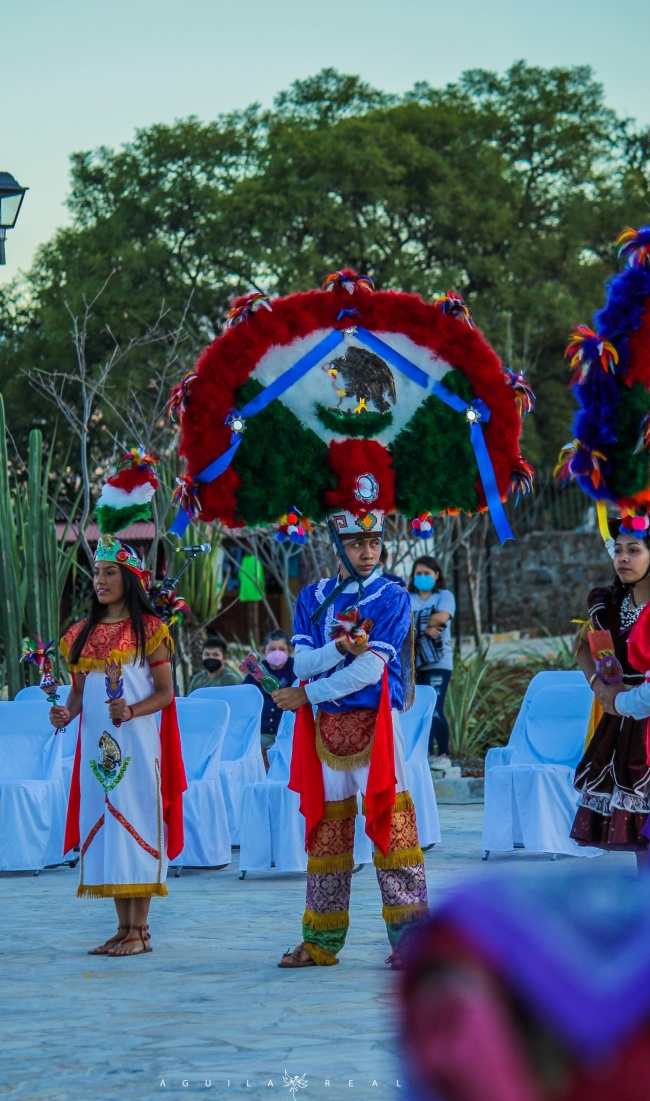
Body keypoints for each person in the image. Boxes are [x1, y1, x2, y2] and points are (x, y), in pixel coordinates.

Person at [273, 509, 428, 970]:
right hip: (327, 730)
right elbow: (300, 664)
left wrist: (307, 694)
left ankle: (413, 944)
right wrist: (338, 648)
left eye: (374, 542)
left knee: (394, 833)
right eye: (357, 543)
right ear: (337, 545)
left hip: (375, 727)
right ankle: (320, 940)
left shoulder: (392, 596)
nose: (368, 552)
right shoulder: (314, 596)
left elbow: (372, 668)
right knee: (326, 834)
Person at [50, 449, 186, 956]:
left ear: (128, 578)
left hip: (137, 740)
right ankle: (122, 927)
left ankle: (141, 930)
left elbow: (166, 693)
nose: (99, 580)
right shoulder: (80, 635)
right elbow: (80, 693)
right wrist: (65, 712)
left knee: (135, 819)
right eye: (96, 573)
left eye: (109, 573)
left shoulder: (151, 630)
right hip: (95, 747)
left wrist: (131, 710)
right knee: (104, 824)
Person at [570, 519, 650, 868]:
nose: (623, 558)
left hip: (644, 723)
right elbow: (583, 648)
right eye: (617, 550)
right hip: (623, 726)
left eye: (634, 550)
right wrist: (599, 687)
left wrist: (619, 700)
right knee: (638, 837)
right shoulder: (607, 605)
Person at [409, 555, 455, 768]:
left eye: (427, 573)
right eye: (419, 574)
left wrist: (415, 624)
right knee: (418, 709)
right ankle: (423, 754)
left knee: (436, 707)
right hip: (414, 663)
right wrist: (425, 627)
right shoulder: (408, 597)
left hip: (439, 662)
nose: (423, 577)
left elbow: (442, 618)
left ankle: (443, 754)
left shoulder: (444, 596)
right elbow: (402, 625)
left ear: (436, 575)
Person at [243, 629, 295, 768]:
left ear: (288, 650)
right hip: (260, 733)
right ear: (264, 650)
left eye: (281, 649)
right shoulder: (256, 670)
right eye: (272, 649)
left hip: (287, 732)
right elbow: (244, 695)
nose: (277, 653)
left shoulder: (296, 668)